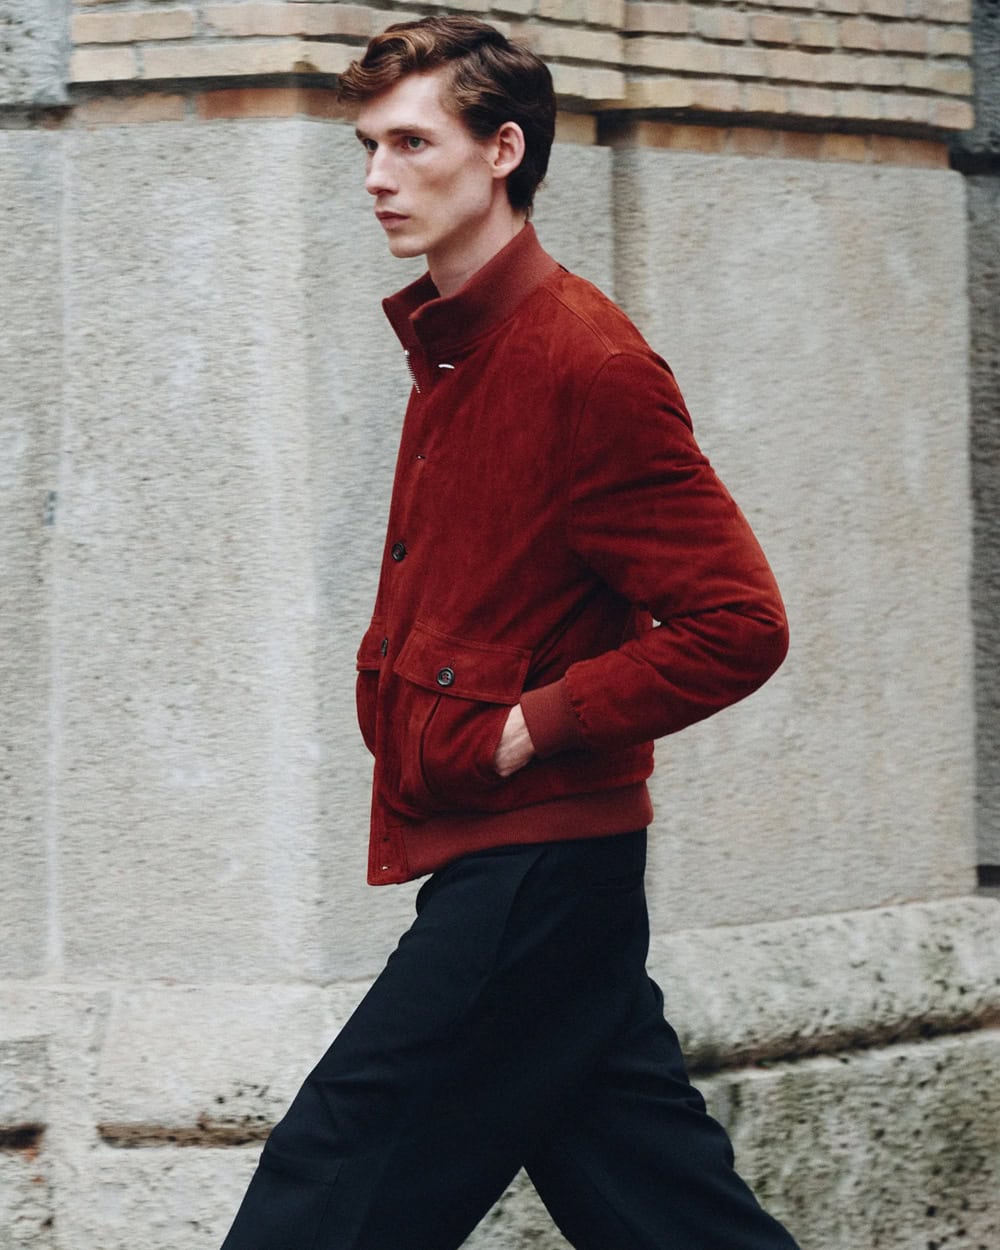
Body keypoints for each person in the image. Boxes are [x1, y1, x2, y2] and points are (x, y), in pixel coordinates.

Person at [220, 15, 801, 1250]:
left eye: (411, 143)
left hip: (535, 868)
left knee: (327, 1183)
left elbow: (738, 622)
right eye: (369, 145)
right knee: (663, 1210)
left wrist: (533, 723)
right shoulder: (459, 347)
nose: (377, 176)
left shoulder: (584, 362)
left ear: (501, 151)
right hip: (536, 874)